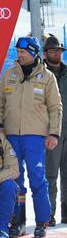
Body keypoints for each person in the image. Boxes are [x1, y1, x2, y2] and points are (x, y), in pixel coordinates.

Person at [0, 36, 62, 238]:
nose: (19, 55)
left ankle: (42, 221)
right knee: (16, 181)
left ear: (33, 53)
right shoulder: (9, 75)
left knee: (37, 180)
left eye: (23, 52)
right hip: (12, 136)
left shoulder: (47, 77)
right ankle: (18, 221)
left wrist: (53, 133)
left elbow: (55, 108)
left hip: (35, 137)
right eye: (18, 52)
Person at [42, 34, 67, 226]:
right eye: (53, 50)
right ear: (45, 53)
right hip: (50, 131)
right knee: (50, 175)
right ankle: (49, 214)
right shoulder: (40, 74)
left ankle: (65, 214)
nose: (57, 53)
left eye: (59, 50)